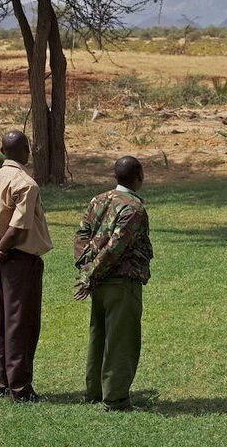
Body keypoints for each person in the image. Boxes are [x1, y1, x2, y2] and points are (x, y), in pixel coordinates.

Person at [0, 130, 53, 402]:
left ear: (1, 151)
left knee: (1, 322)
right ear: (25, 149)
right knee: (21, 324)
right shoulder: (26, 183)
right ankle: (20, 389)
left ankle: (3, 382)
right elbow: (19, 228)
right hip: (19, 261)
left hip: (1, 260)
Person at [73, 156, 153, 411]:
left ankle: (95, 392)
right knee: (121, 341)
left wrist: (86, 269)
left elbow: (82, 236)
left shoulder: (99, 199)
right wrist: (90, 275)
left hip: (100, 283)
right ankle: (116, 399)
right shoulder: (134, 209)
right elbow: (115, 248)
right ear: (139, 176)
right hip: (121, 282)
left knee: (99, 336)